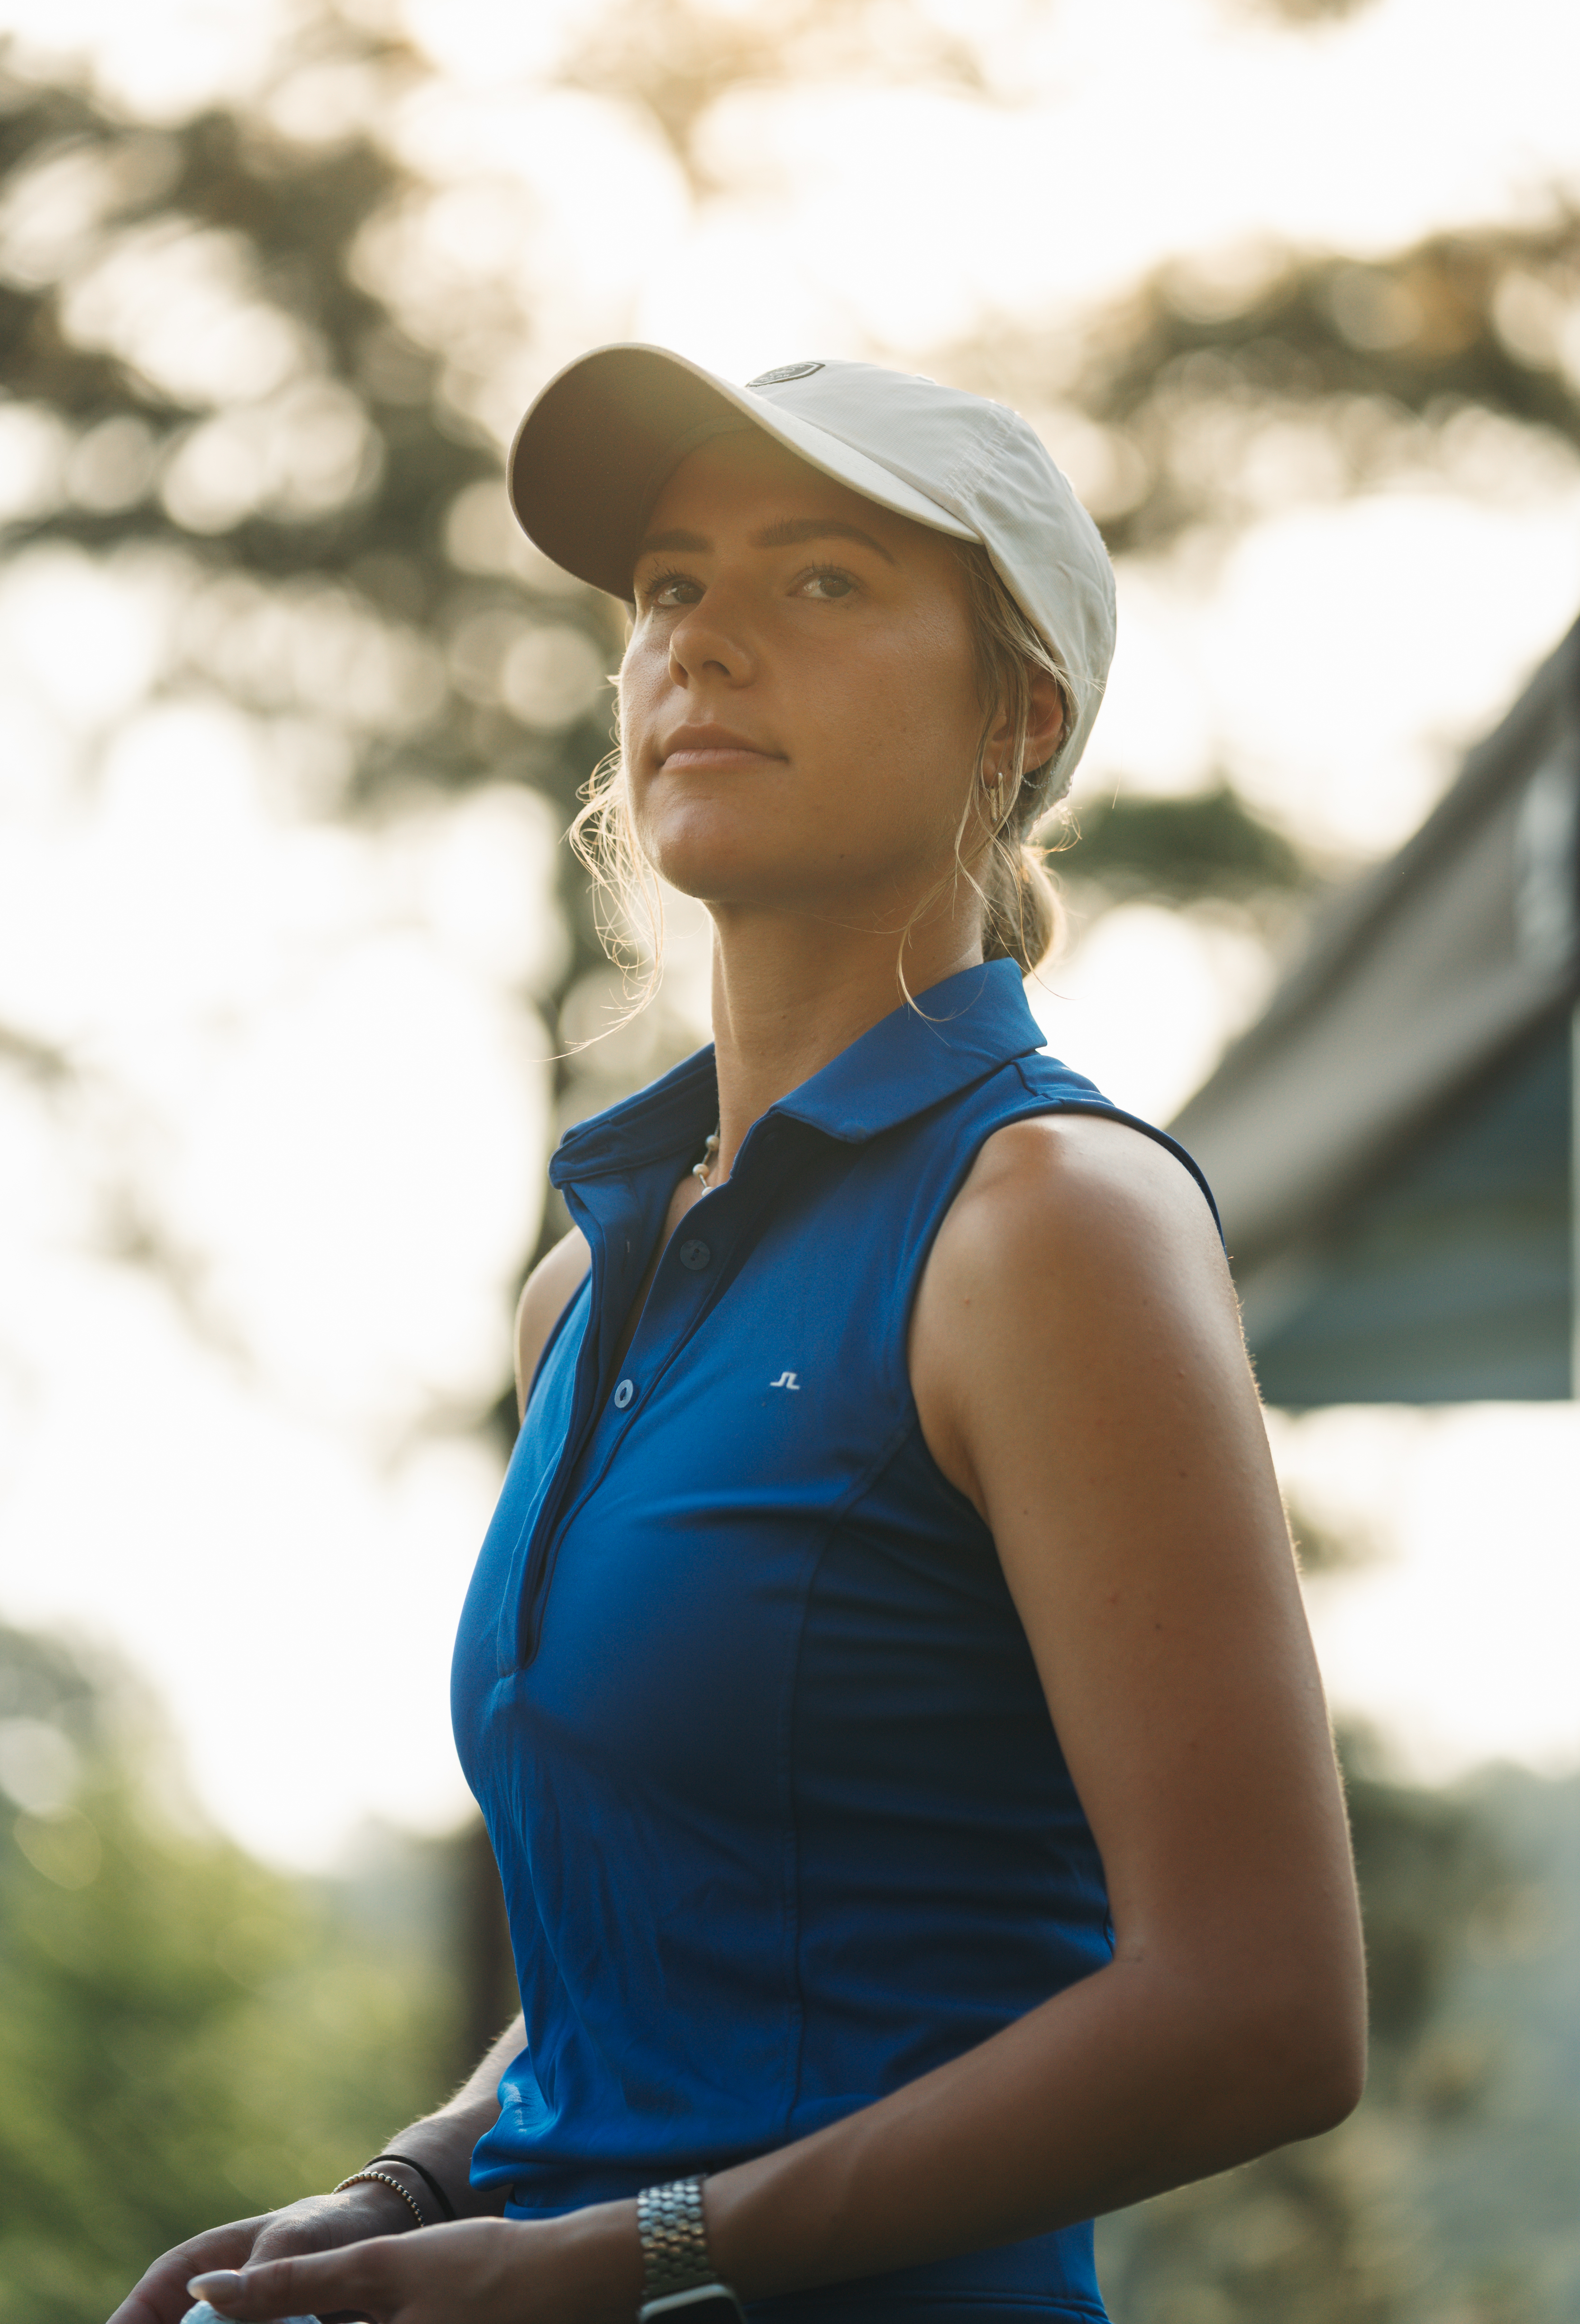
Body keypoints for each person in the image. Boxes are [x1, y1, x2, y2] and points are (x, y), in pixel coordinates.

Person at [115, 348, 1365, 2324]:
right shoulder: (586, 1287)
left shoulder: (1047, 1224)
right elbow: (666, 1953)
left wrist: (619, 2263)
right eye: (672, 586)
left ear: (1016, 713)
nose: (702, 642)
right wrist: (411, 2183)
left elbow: (1264, 2009)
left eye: (822, 581)